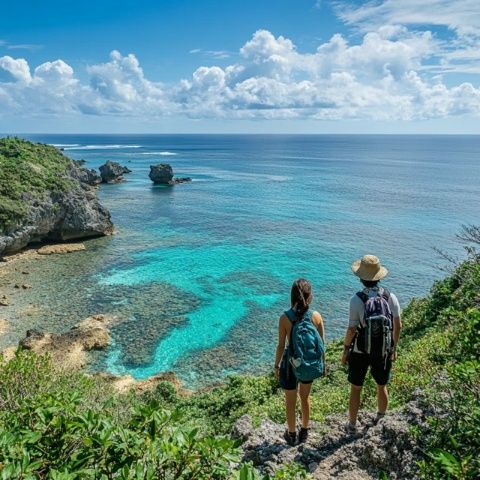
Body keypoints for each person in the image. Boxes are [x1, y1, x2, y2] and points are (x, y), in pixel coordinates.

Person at [341, 255, 402, 433]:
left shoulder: (356, 300)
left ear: (361, 278)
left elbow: (352, 329)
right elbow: (398, 325)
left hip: (360, 350)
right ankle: (381, 418)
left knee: (356, 388)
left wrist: (345, 350)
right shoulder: (391, 297)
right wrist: (393, 347)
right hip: (383, 349)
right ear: (379, 276)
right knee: (381, 385)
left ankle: (352, 425)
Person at [274, 278, 326, 446]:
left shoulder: (285, 318)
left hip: (290, 364)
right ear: (309, 296)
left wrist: (276, 366)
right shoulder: (316, 316)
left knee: (290, 401)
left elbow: (281, 346)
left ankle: (291, 434)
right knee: (305, 397)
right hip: (308, 363)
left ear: (292, 296)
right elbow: (322, 345)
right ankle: (304, 431)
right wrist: (323, 365)